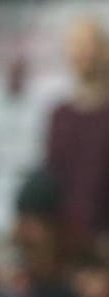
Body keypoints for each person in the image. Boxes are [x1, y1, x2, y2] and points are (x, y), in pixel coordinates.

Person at [45, 17, 109, 262]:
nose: (81, 53)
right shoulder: (60, 115)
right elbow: (52, 174)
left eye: (87, 45)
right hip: (64, 241)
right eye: (75, 46)